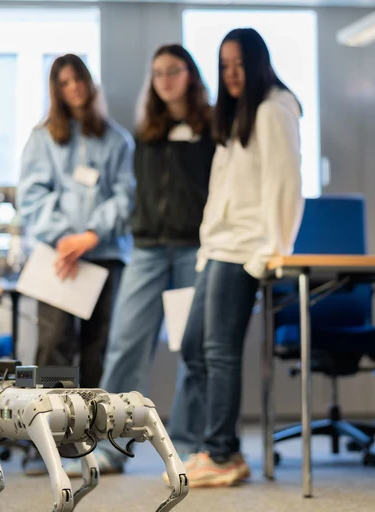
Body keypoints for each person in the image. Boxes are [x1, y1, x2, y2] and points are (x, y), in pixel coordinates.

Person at [175, 27, 304, 488]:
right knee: (193, 346)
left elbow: (286, 183)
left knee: (220, 351)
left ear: (257, 63)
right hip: (218, 249)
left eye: (239, 64)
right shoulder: (234, 117)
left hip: (246, 250)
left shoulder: (274, 108)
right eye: (224, 65)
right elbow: (222, 191)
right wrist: (207, 247)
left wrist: (271, 253)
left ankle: (223, 453)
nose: (231, 74)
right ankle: (212, 444)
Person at [96, 44, 216, 472]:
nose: (165, 79)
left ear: (190, 74)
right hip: (146, 249)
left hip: (192, 249)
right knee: (125, 345)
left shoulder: (212, 128)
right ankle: (110, 447)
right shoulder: (145, 130)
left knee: (195, 349)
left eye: (173, 70)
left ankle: (184, 444)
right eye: (158, 72)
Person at [17, 53, 135, 476]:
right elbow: (32, 196)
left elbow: (125, 197)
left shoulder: (118, 139)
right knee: (53, 347)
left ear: (88, 82)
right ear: (57, 89)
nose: (73, 87)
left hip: (104, 256)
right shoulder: (43, 137)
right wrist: (67, 236)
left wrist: (91, 235)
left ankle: (94, 444)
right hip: (58, 259)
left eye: (78, 79)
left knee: (98, 348)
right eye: (63, 82)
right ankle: (50, 442)